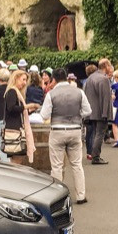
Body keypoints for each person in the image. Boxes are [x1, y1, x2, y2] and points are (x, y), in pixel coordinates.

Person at [41, 68, 93, 204]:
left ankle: (58, 198)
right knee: (77, 165)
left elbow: (44, 115)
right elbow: (88, 111)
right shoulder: (79, 92)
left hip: (57, 130)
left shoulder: (51, 94)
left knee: (57, 166)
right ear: (66, 78)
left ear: (54, 79)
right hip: (75, 129)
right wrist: (77, 115)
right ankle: (81, 195)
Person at [2, 70, 36, 167]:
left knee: (17, 160)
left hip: (15, 129)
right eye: (23, 79)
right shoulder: (12, 91)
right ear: (16, 78)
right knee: (17, 160)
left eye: (26, 80)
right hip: (14, 130)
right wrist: (26, 107)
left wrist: (28, 110)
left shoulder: (15, 92)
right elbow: (11, 108)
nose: (25, 83)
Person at [83, 59, 114, 165]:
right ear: (106, 66)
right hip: (100, 112)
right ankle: (96, 156)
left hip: (91, 111)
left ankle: (93, 154)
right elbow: (106, 98)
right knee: (99, 133)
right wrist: (105, 114)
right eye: (110, 65)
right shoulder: (104, 79)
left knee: (95, 133)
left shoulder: (90, 78)